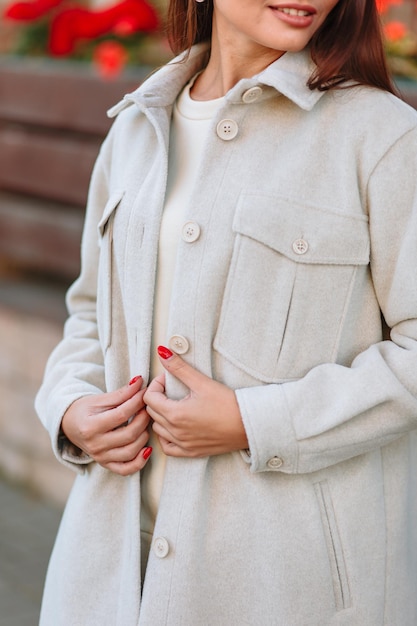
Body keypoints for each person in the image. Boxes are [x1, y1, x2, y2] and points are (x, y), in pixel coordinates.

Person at [35, 0, 417, 623]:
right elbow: (89, 312)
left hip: (287, 590)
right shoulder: (135, 128)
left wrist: (256, 420)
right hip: (106, 581)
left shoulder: (383, 137)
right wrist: (71, 407)